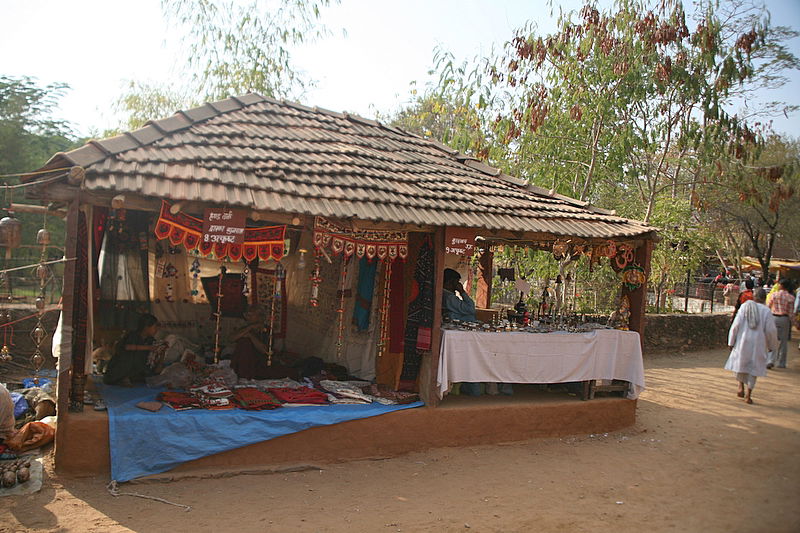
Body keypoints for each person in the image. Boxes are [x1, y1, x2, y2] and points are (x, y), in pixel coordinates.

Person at [725, 289, 777, 404]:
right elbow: (771, 331)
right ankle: (748, 394)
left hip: (743, 341)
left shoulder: (745, 307)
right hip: (758, 343)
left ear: (754, 297)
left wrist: (731, 342)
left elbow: (735, 326)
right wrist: (771, 346)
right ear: (764, 298)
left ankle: (740, 386)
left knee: (740, 364)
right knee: (754, 368)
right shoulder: (766, 311)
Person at [103, 313, 161, 386]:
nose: (157, 330)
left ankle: (130, 377)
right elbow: (127, 347)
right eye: (155, 327)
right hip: (118, 370)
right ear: (146, 327)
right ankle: (122, 378)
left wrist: (161, 352)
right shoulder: (133, 336)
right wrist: (148, 347)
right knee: (131, 355)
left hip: (137, 372)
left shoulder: (151, 340)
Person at [766, 278, 795, 369]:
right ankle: (781, 362)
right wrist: (795, 323)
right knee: (783, 341)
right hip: (784, 319)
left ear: (781, 286)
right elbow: (791, 313)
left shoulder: (774, 295)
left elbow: (768, 307)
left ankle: (770, 360)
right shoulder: (790, 298)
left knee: (772, 339)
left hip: (773, 318)